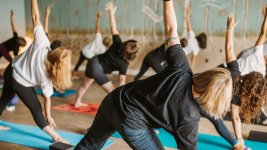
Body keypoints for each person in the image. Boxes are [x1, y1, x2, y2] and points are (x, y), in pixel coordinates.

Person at [74, 1, 233, 149]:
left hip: (113, 100)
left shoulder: (181, 67)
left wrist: (167, 2)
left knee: (88, 145)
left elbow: (171, 29)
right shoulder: (190, 118)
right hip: (131, 121)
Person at [0, 0, 72, 144]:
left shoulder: (43, 43)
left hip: (10, 70)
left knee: (5, 99)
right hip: (19, 81)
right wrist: (48, 116)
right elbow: (47, 99)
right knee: (36, 110)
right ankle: (55, 137)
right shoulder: (49, 77)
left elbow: (35, 16)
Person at [74, 2, 138, 108]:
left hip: (92, 61)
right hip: (97, 69)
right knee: (114, 93)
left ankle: (77, 102)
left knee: (85, 84)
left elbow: (113, 27)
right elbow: (121, 81)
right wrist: (120, 94)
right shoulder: (124, 64)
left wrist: (111, 12)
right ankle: (116, 112)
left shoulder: (118, 43)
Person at [72, 12, 111, 79]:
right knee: (93, 65)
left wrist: (98, 18)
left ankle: (73, 75)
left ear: (104, 39)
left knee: (78, 64)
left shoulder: (99, 38)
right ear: (108, 45)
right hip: (89, 55)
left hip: (84, 51)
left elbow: (97, 28)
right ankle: (91, 76)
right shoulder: (103, 50)